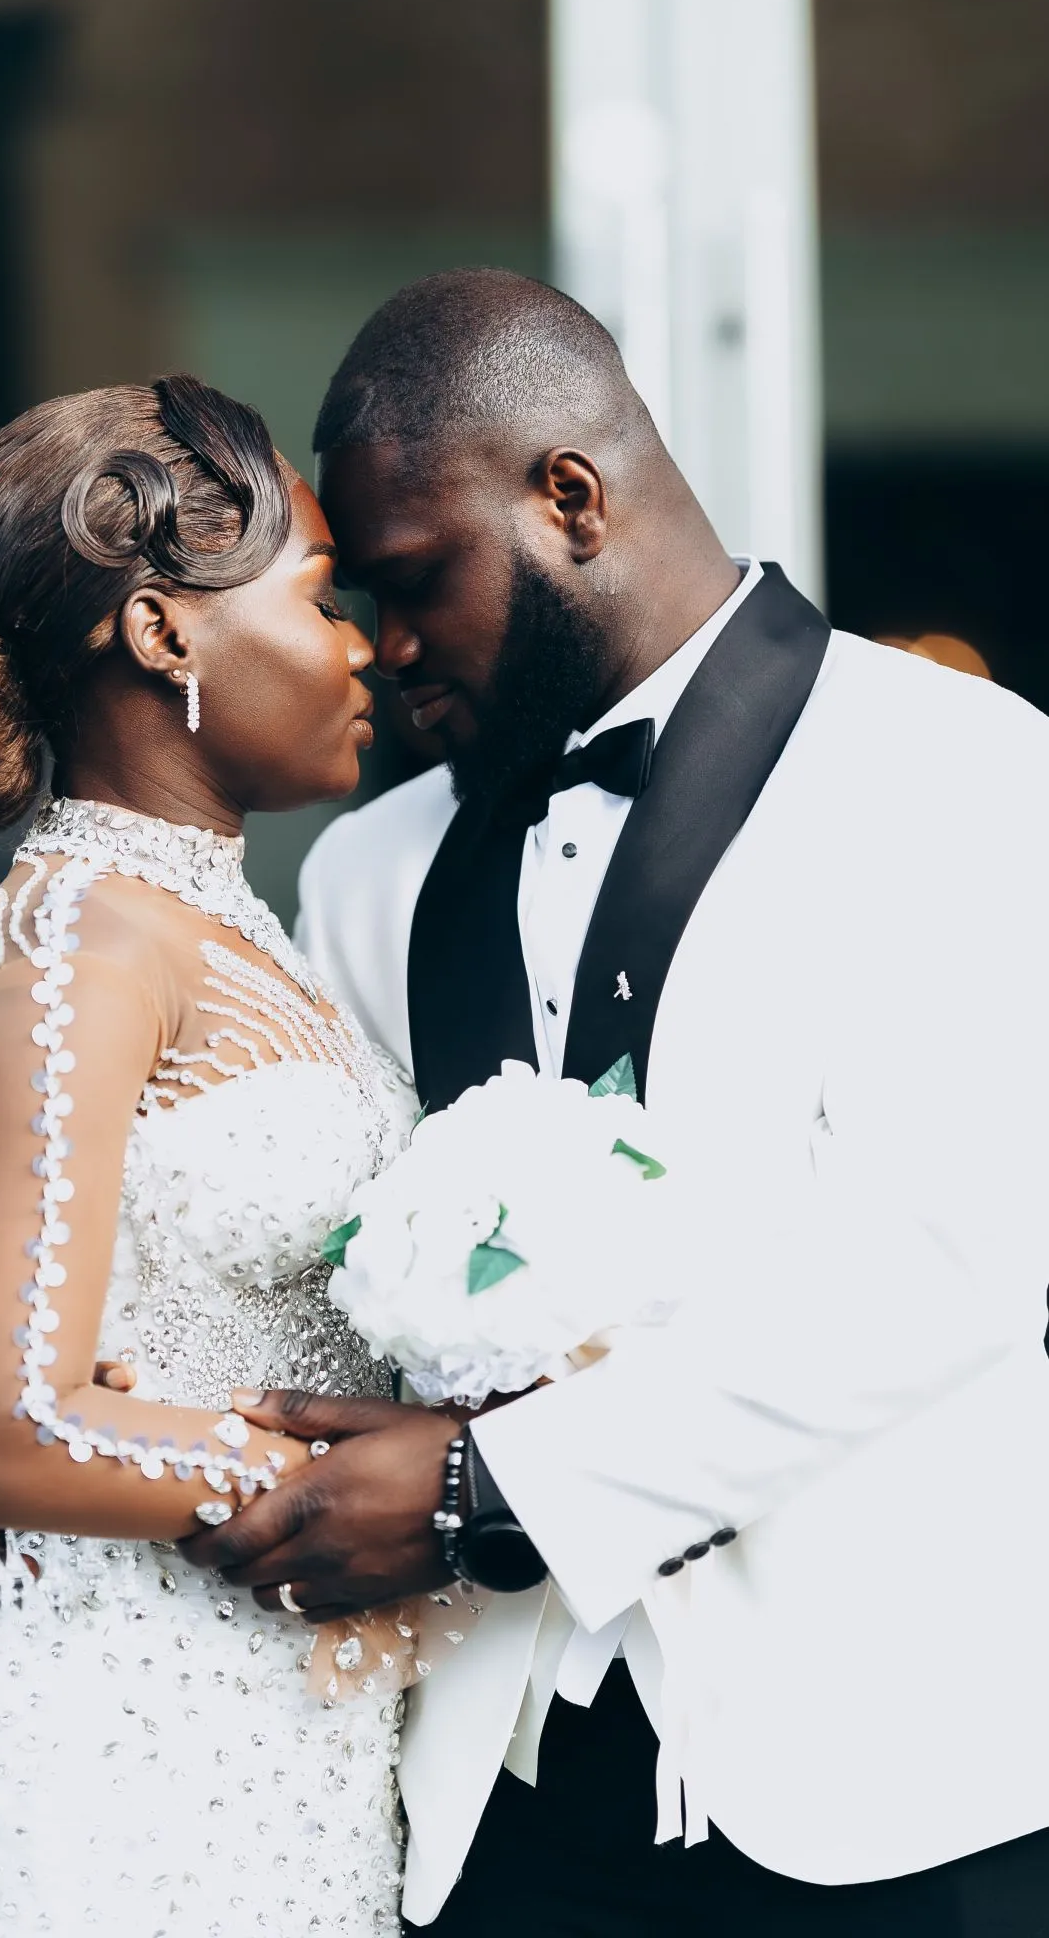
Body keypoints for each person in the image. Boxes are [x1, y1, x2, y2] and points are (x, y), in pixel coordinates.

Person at [174, 270, 1049, 1934]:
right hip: (493, 1799)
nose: (386, 647)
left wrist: (492, 1490)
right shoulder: (369, 873)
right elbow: (309, 1284)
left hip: (891, 1789)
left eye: (415, 580)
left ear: (569, 499)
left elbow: (957, 1262)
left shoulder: (963, 771)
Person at [0, 376, 420, 1936]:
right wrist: (358, 1489)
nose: (363, 648)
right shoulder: (79, 936)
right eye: (320, 597)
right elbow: (7, 1426)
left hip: (263, 1724)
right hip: (117, 1752)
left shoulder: (215, 922)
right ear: (167, 632)